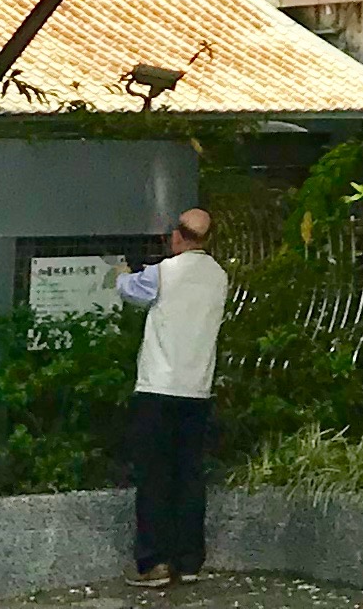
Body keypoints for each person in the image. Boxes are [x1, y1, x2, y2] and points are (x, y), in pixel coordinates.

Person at [114, 209, 229, 586]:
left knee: (155, 477)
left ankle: (153, 563)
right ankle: (190, 560)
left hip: (158, 388)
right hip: (198, 389)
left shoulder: (164, 272)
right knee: (189, 475)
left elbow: (131, 290)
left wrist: (119, 274)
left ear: (177, 237)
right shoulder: (219, 277)